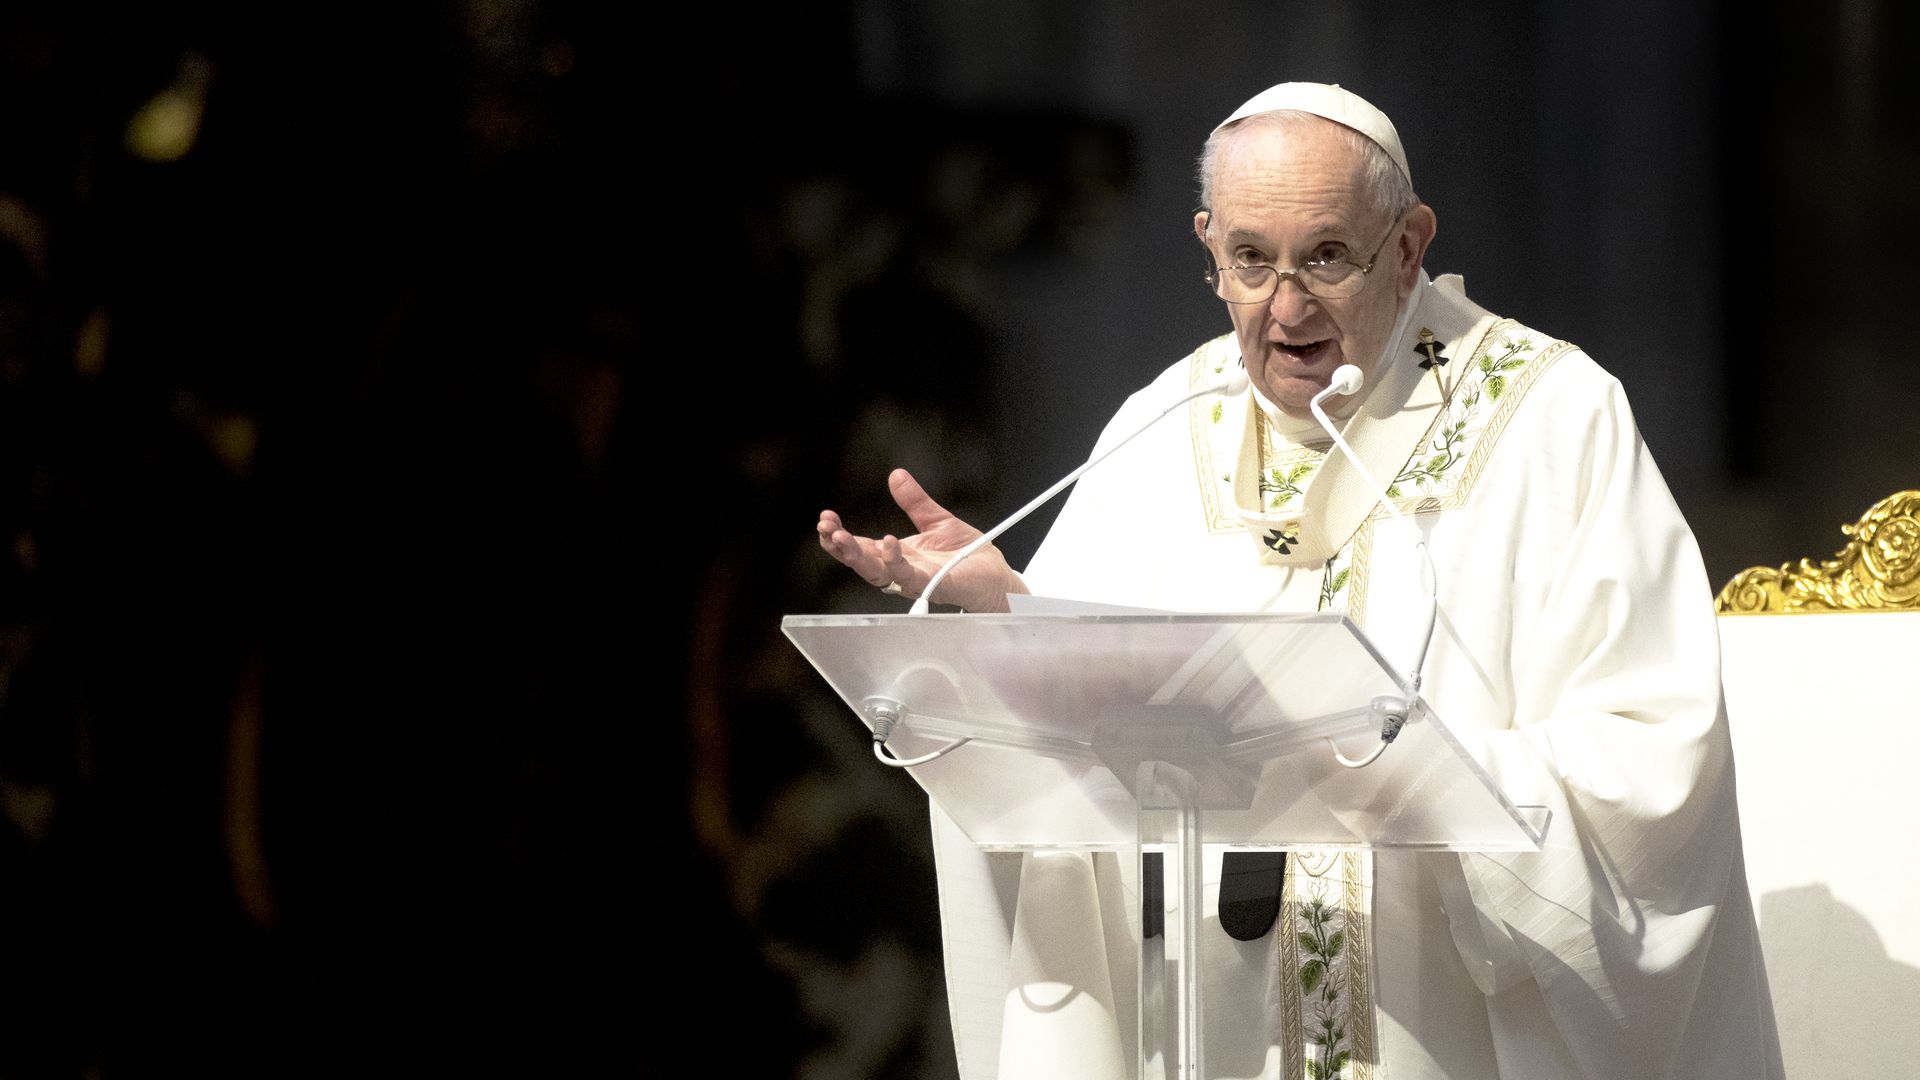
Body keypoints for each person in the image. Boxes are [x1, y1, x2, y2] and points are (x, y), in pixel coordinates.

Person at [817, 82, 1781, 1080]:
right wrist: (1009, 612)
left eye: (1325, 256)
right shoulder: (1168, 422)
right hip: (1203, 1031)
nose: (1285, 310)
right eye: (1248, 260)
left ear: (1406, 247)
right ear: (1208, 248)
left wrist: (1407, 777)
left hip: (1435, 1028)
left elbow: (1655, 760)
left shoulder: (1552, 420)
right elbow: (1075, 748)